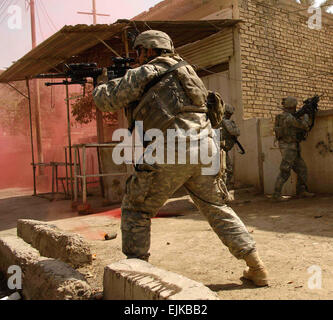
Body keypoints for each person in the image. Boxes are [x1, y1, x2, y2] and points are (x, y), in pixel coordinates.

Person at [93, 30, 269, 286]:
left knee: (136, 209)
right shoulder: (188, 71)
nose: (138, 57)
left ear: (148, 51)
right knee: (217, 208)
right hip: (206, 147)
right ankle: (257, 267)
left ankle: (136, 276)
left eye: (139, 52)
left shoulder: (144, 72)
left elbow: (105, 100)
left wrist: (101, 81)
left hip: (170, 147)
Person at [272, 96, 315, 201]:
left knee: (302, 169)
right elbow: (304, 126)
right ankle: (276, 195)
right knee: (285, 171)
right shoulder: (289, 118)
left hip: (292, 146)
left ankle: (301, 191)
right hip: (289, 147)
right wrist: (305, 116)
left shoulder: (281, 117)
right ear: (292, 106)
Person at [219, 104, 240, 189]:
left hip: (219, 149)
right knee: (228, 170)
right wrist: (234, 126)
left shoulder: (218, 121)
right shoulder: (225, 122)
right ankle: (224, 189)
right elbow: (235, 132)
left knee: (223, 170)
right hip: (221, 149)